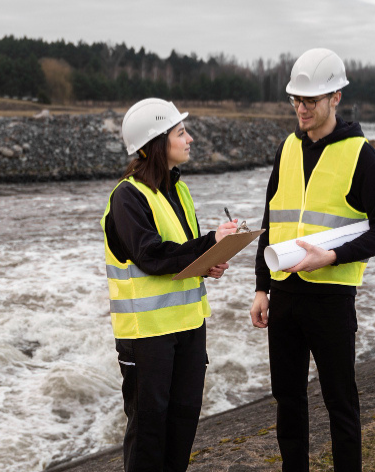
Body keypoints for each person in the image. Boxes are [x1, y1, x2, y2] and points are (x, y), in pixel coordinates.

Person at [248, 48, 375, 471]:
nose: (301, 109)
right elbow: (270, 220)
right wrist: (261, 287)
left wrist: (333, 256)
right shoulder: (286, 149)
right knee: (288, 400)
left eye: (310, 101)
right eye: (296, 100)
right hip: (283, 296)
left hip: (331, 300)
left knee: (340, 402)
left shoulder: (360, 154)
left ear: (335, 97)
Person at [101, 98, 238, 471]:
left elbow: (182, 256)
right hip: (148, 336)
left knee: (182, 426)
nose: (190, 138)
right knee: (149, 435)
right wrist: (208, 243)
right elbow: (152, 255)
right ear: (157, 142)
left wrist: (209, 262)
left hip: (190, 329)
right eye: (181, 132)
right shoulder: (127, 197)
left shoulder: (179, 189)